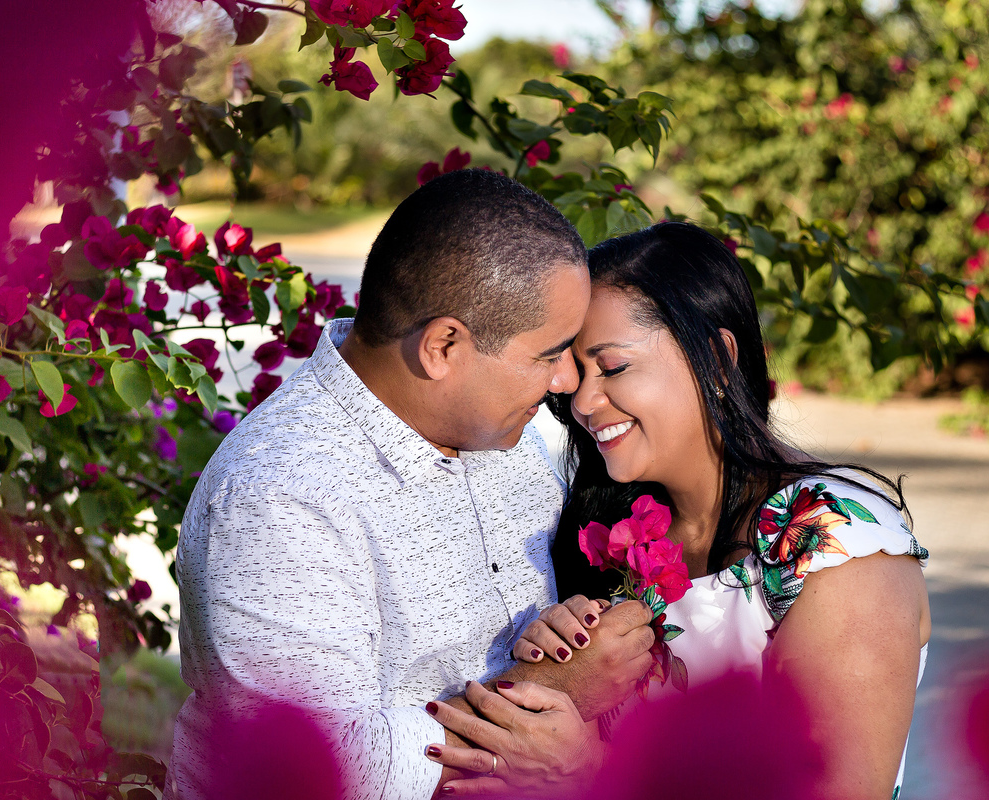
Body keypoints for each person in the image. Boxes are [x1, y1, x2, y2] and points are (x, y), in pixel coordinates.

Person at [165, 170, 657, 800]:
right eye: (549, 354)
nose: (566, 381)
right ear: (443, 347)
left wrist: (563, 631)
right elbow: (311, 767)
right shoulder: (282, 494)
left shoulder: (499, 431)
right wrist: (563, 691)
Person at [425, 221, 931, 799]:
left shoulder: (834, 540)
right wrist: (557, 674)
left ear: (716, 358)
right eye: (576, 376)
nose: (584, 402)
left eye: (613, 368)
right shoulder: (622, 532)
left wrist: (593, 773)